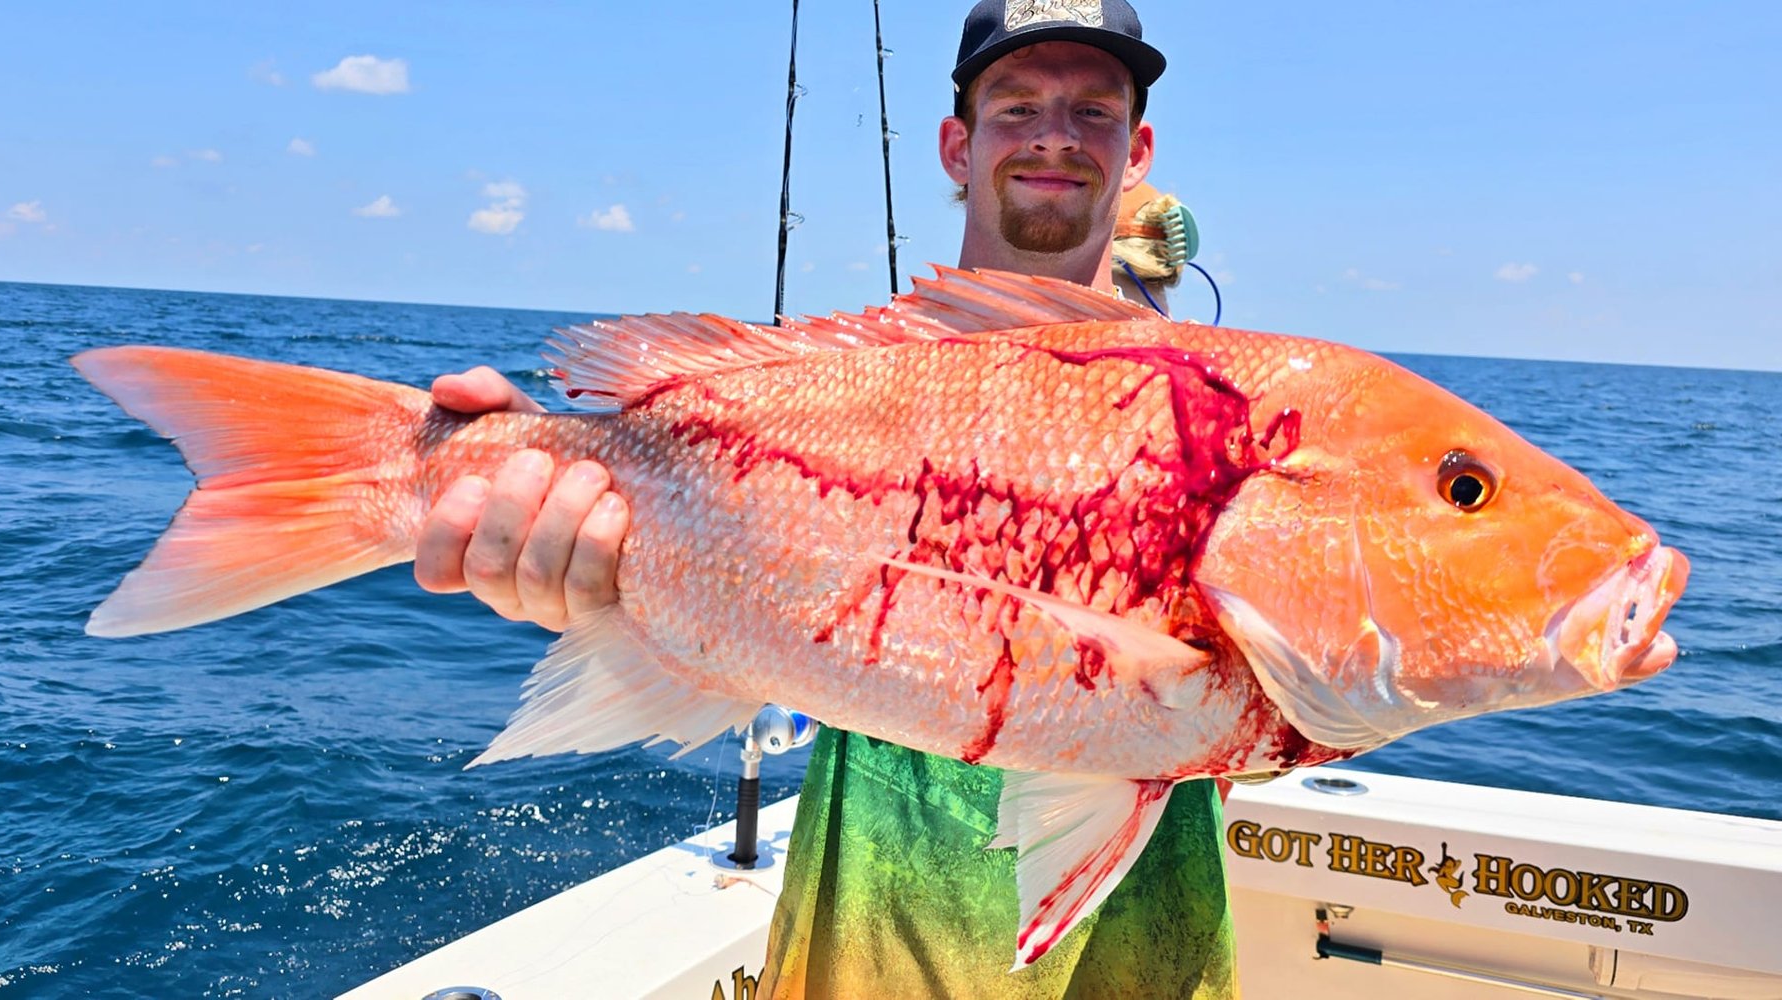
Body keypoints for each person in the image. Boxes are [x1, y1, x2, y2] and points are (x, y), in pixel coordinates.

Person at [415, 2, 1237, 996]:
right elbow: (700, 529)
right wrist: (540, 500)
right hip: (867, 923)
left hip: (1141, 939)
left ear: (1140, 148)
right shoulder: (849, 381)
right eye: (1016, 106)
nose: (1056, 134)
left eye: (1094, 112)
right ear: (955, 143)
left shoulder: (1213, 406)